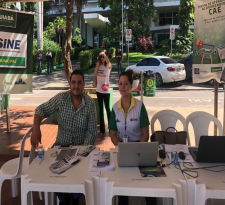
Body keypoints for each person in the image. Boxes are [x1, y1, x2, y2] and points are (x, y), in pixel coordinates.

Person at [31, 70, 98, 205]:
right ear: (70, 83)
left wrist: (82, 153)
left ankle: (76, 196)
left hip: (81, 149)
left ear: (84, 84)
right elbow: (40, 109)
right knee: (46, 170)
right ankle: (64, 198)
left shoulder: (90, 104)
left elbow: (91, 132)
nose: (76, 86)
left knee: (83, 173)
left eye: (79, 82)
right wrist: (36, 127)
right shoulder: (61, 98)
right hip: (60, 147)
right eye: (73, 82)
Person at [109, 70, 156, 205]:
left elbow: (145, 134)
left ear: (131, 86)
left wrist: (137, 150)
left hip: (140, 147)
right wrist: (123, 148)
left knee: (148, 183)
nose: (122, 87)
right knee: (121, 184)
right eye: (120, 84)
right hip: (122, 148)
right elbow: (112, 135)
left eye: (125, 84)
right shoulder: (115, 108)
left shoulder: (140, 107)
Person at [94, 50, 111, 135]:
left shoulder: (108, 66)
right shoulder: (99, 65)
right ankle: (102, 130)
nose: (102, 58)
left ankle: (111, 128)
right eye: (100, 57)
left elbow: (108, 63)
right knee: (101, 110)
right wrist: (97, 65)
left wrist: (104, 54)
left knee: (108, 109)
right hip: (99, 90)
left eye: (103, 56)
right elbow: (95, 74)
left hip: (106, 90)